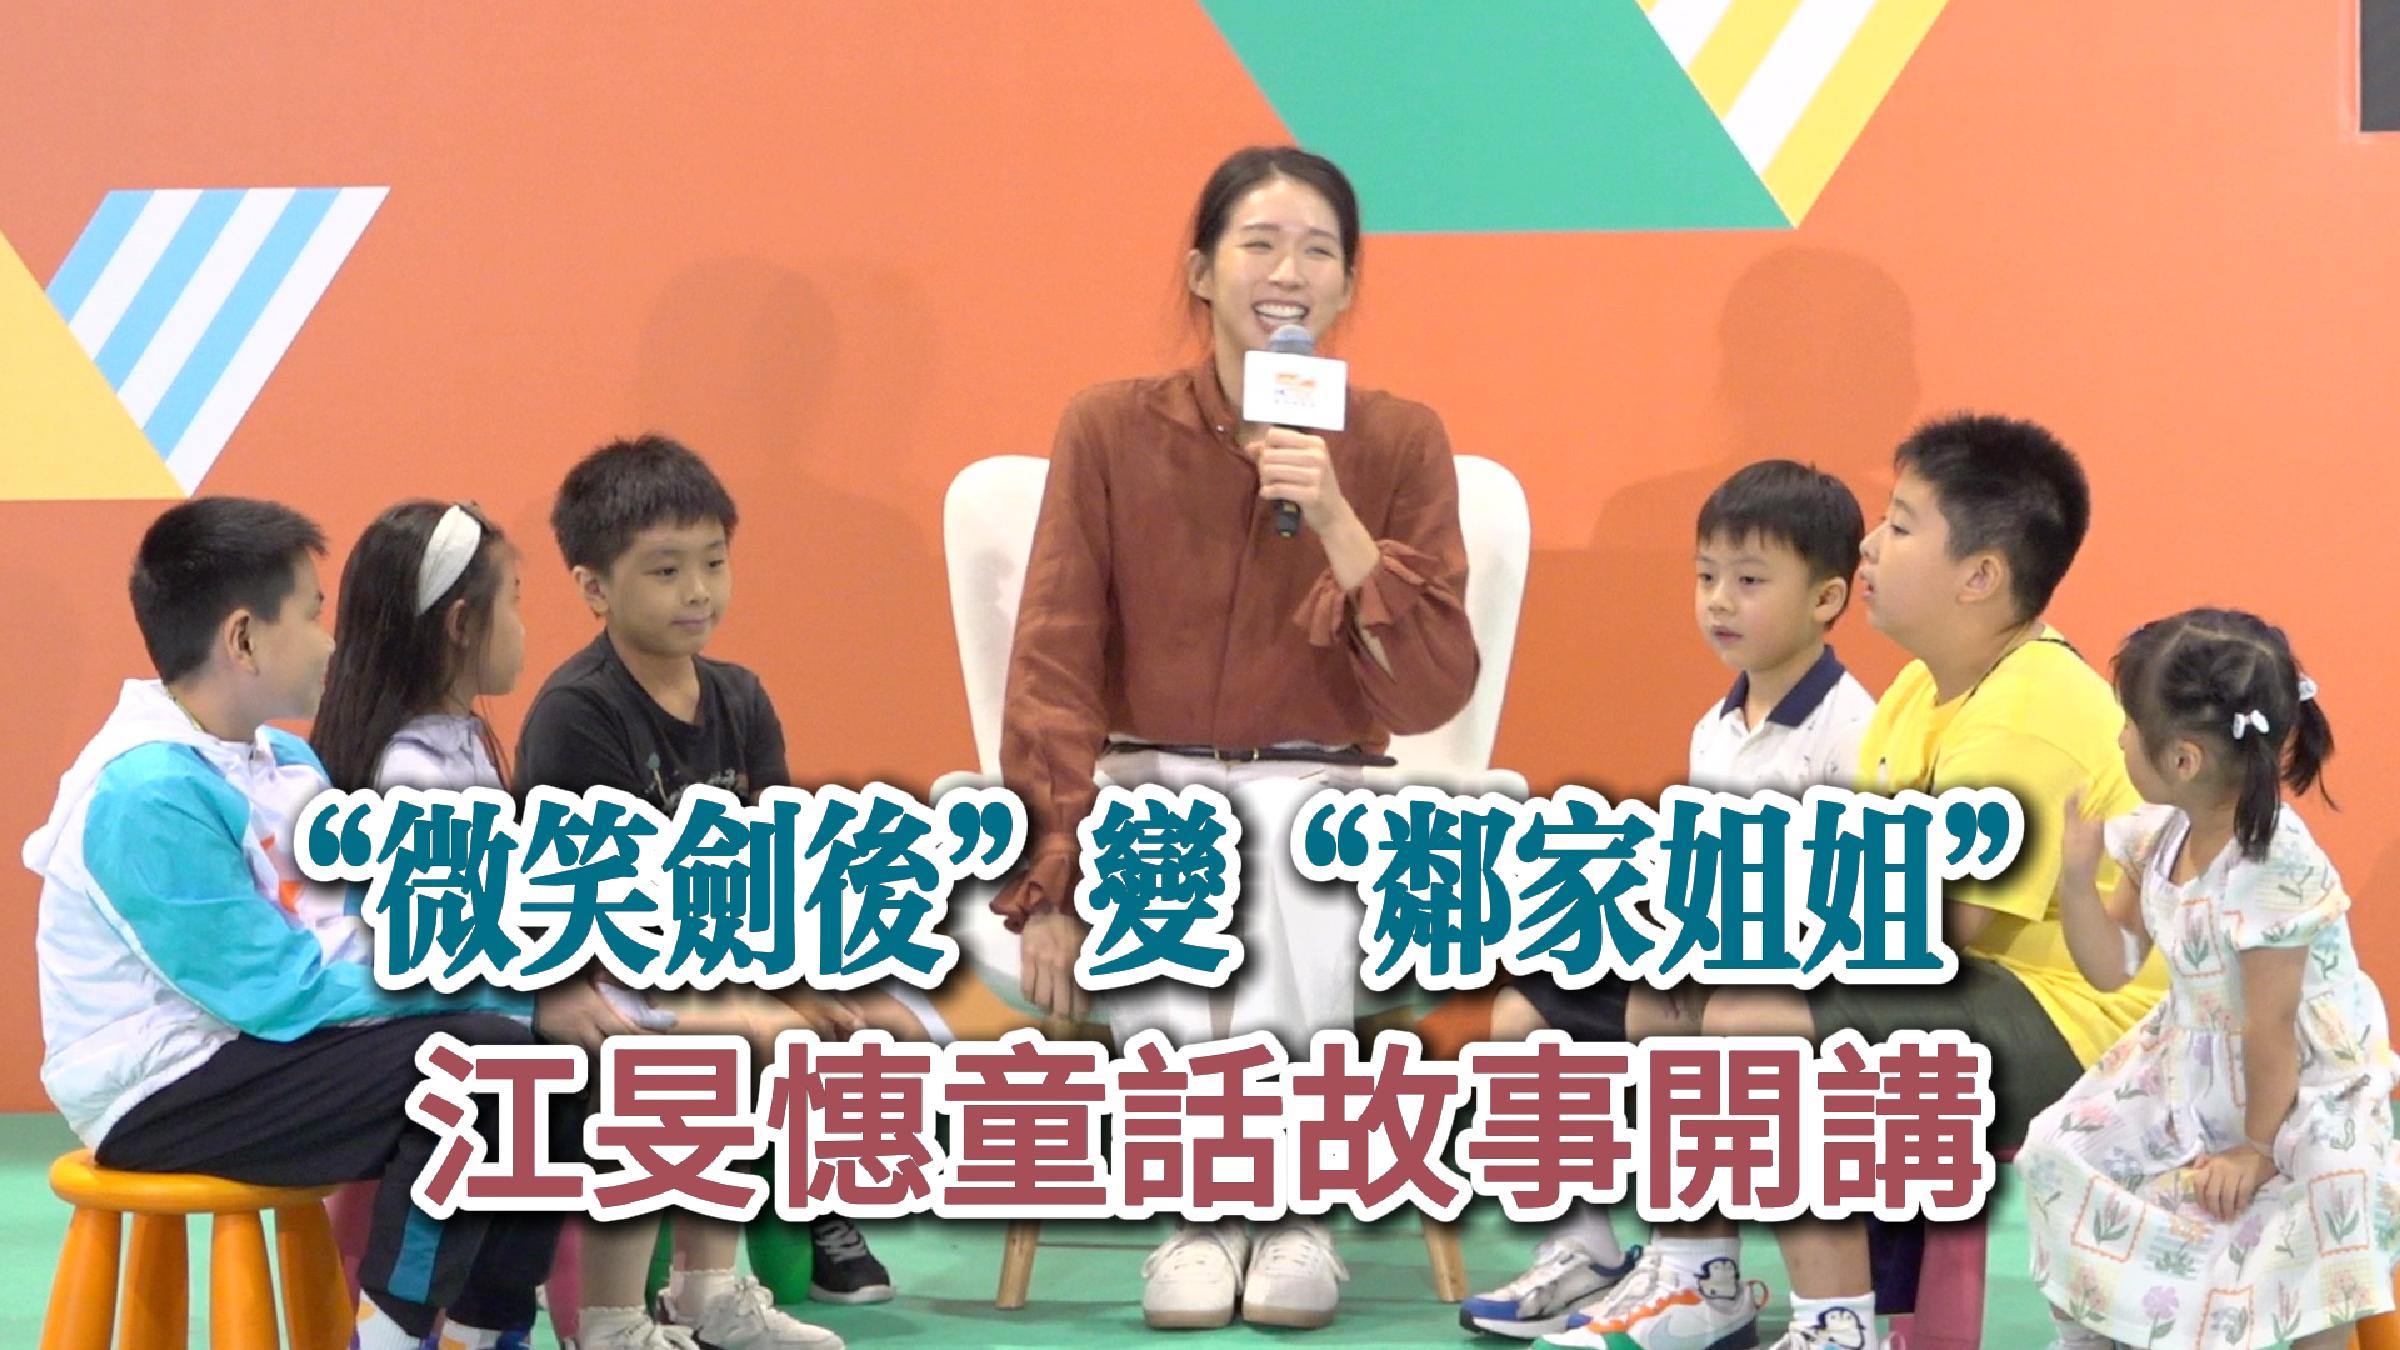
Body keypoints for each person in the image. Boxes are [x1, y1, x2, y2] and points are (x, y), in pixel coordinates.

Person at [990, 144, 1480, 1331]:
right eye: (1259, 244)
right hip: (1150, 771)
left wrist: (1337, 519)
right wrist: (1050, 876)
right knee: (1171, 837)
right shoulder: (1110, 428)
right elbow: (1053, 661)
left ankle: (1293, 1213)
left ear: (1348, 284)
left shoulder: (1398, 440)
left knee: (1289, 843)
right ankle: (1201, 1217)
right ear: (1202, 271)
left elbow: (1432, 691)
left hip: (1328, 781)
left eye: (1318, 251)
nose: (1288, 272)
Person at [2021, 609, 2399, 1347]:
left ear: (2184, 759)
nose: (2119, 739)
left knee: (2322, 1201)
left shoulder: (2272, 868)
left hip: (2297, 1081)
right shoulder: (2161, 834)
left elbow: (2271, 1028)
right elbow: (2111, 966)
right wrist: (2075, 881)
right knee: (2057, 1150)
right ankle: (2113, 1331)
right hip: (2191, 1058)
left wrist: (2256, 1149)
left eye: (2129, 725)